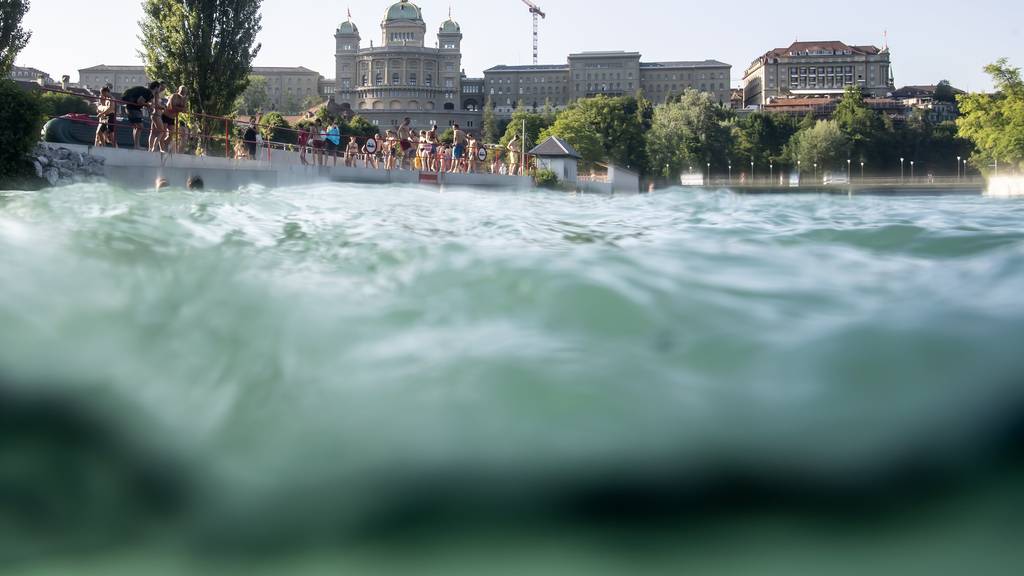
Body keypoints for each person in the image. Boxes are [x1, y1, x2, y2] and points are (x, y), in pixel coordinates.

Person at [122, 81, 159, 149]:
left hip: (130, 108)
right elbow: (140, 101)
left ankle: (136, 145)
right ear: (156, 88)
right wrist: (148, 105)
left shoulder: (147, 92)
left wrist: (148, 106)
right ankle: (137, 145)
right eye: (159, 88)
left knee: (136, 127)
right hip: (133, 109)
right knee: (140, 127)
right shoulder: (148, 92)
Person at [162, 86, 187, 153]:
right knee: (162, 133)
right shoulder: (174, 96)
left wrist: (179, 108)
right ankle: (161, 148)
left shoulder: (184, 99)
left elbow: (185, 110)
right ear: (178, 90)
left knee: (171, 135)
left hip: (172, 118)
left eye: (184, 91)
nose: (183, 92)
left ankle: (164, 146)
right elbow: (172, 107)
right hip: (165, 116)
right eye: (182, 91)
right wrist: (180, 109)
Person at [148, 82, 166, 153]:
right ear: (158, 87)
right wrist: (163, 107)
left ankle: (150, 148)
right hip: (156, 115)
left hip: (155, 115)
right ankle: (154, 148)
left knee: (153, 132)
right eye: (162, 87)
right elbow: (156, 105)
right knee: (162, 131)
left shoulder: (156, 94)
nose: (163, 89)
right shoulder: (156, 94)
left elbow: (155, 104)